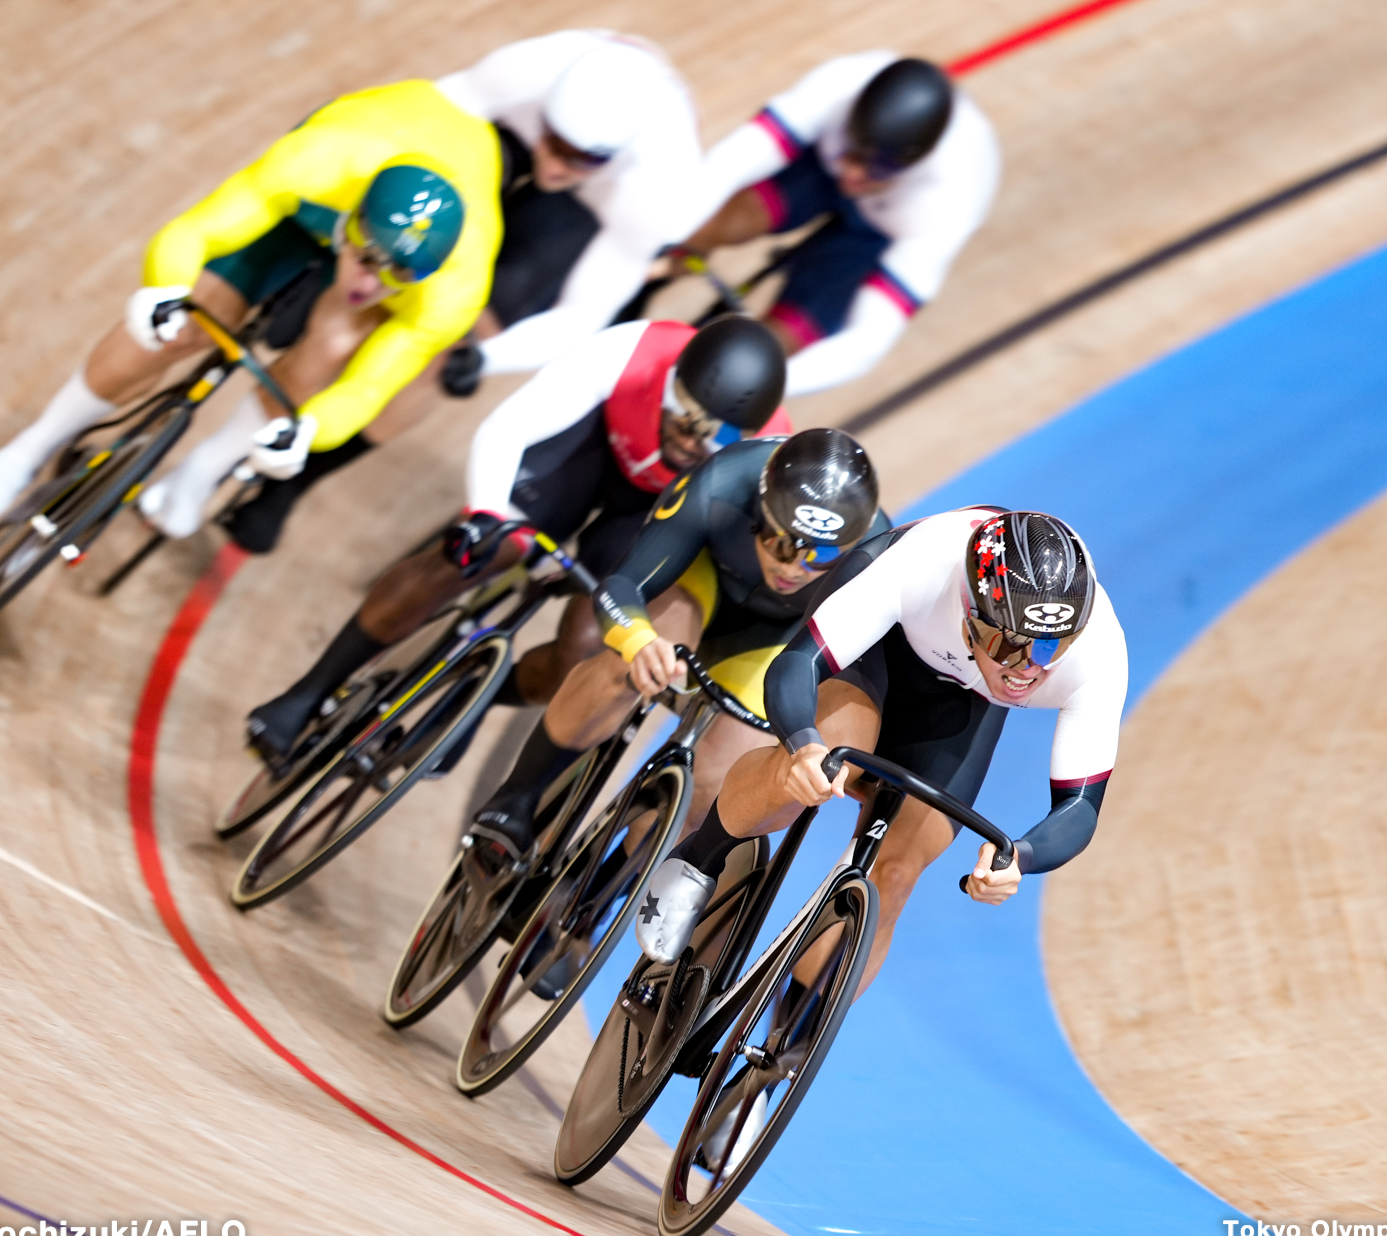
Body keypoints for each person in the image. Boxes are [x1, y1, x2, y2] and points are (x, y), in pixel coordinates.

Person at [0, 78, 500, 552]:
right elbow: (195, 230)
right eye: (365, 256)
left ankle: (202, 472)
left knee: (332, 346)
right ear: (352, 217)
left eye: (395, 275)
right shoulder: (319, 161)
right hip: (318, 192)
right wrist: (163, 291)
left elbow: (368, 387)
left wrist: (305, 433)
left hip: (414, 200)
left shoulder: (454, 291)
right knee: (188, 322)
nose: (369, 281)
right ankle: (22, 454)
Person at [243, 315, 790, 770]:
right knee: (478, 551)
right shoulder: (633, 351)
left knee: (584, 651)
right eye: (686, 419)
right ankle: (307, 693)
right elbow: (511, 425)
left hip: (656, 514)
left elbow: (717, 558)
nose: (693, 441)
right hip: (587, 452)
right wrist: (486, 514)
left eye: (716, 436)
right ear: (672, 381)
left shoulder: (767, 458)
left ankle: (478, 693)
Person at [641, 507, 1128, 992]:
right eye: (1010, 647)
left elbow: (1080, 806)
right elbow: (796, 665)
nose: (1028, 669)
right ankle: (699, 856)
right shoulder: (922, 565)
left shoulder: (1097, 648)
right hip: (879, 647)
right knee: (819, 767)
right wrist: (803, 744)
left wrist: (1020, 857)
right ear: (971, 619)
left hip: (966, 699)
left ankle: (788, 1035)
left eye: (1050, 649)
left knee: (895, 872)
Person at [467, 427, 888, 861]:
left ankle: (592, 893)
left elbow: (858, 683)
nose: (796, 570)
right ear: (759, 512)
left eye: (821, 556)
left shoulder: (877, 556)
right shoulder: (725, 479)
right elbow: (624, 585)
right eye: (782, 545)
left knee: (713, 788)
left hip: (776, 639)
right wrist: (637, 638)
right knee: (624, 668)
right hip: (698, 586)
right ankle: (516, 798)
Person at [672, 52, 1000, 397]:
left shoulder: (949, 201)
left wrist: (761, 387)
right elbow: (726, 166)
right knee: (715, 222)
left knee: (776, 345)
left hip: (881, 235)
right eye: (854, 150)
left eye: (875, 169)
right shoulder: (839, 85)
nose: (853, 173)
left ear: (913, 166)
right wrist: (670, 235)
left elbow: (865, 344)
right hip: (818, 167)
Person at [432, 30, 704, 394]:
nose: (554, 165)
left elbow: (579, 316)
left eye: (579, 157)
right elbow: (427, 117)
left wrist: (486, 357)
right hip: (523, 128)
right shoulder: (524, 74)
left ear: (613, 156)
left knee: (498, 306)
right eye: (554, 141)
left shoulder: (652, 190)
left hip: (602, 203)